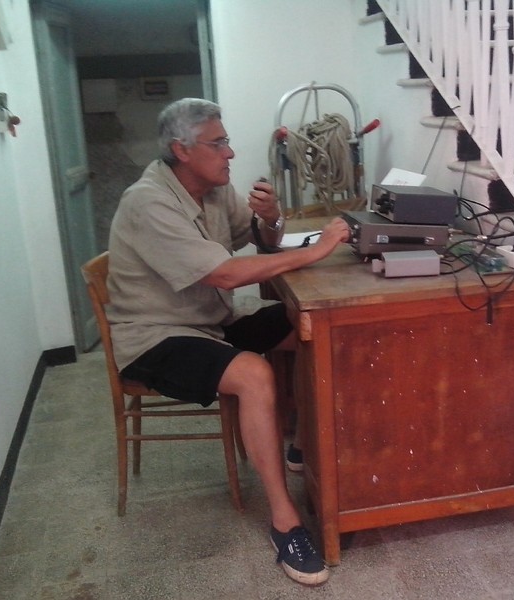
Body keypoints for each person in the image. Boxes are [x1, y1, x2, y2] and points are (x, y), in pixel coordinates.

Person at [106, 98, 350, 586]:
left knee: (308, 326)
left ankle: (300, 446)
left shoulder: (214, 189)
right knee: (254, 374)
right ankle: (285, 522)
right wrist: (318, 250)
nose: (230, 153)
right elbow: (225, 274)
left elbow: (260, 241)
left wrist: (272, 217)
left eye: (227, 141)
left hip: (209, 320)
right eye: (218, 144)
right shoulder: (148, 201)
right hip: (154, 334)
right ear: (182, 150)